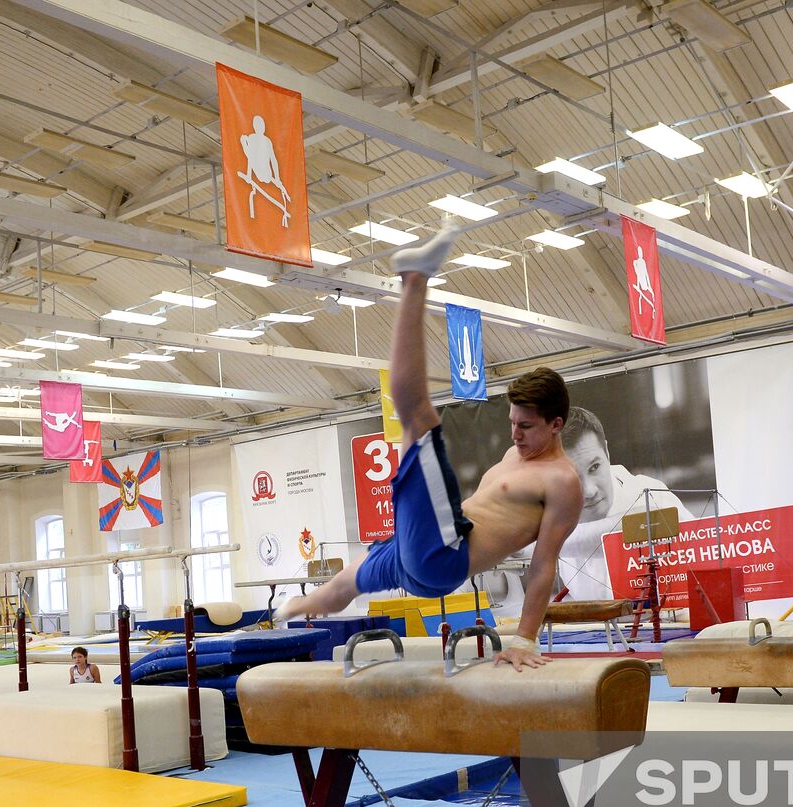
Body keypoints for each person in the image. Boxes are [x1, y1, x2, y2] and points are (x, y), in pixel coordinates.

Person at [275, 221, 584, 670]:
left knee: (415, 413)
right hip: (414, 558)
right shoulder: (513, 455)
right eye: (512, 422)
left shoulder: (563, 482)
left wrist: (525, 639)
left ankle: (415, 280)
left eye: (528, 426)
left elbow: (543, 566)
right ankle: (285, 612)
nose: (515, 434)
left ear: (557, 424)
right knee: (342, 585)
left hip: (443, 559)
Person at [555, 406, 693, 602]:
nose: (590, 491)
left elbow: (701, 567)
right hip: (593, 627)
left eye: (595, 467)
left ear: (607, 452)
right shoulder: (553, 509)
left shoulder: (653, 494)